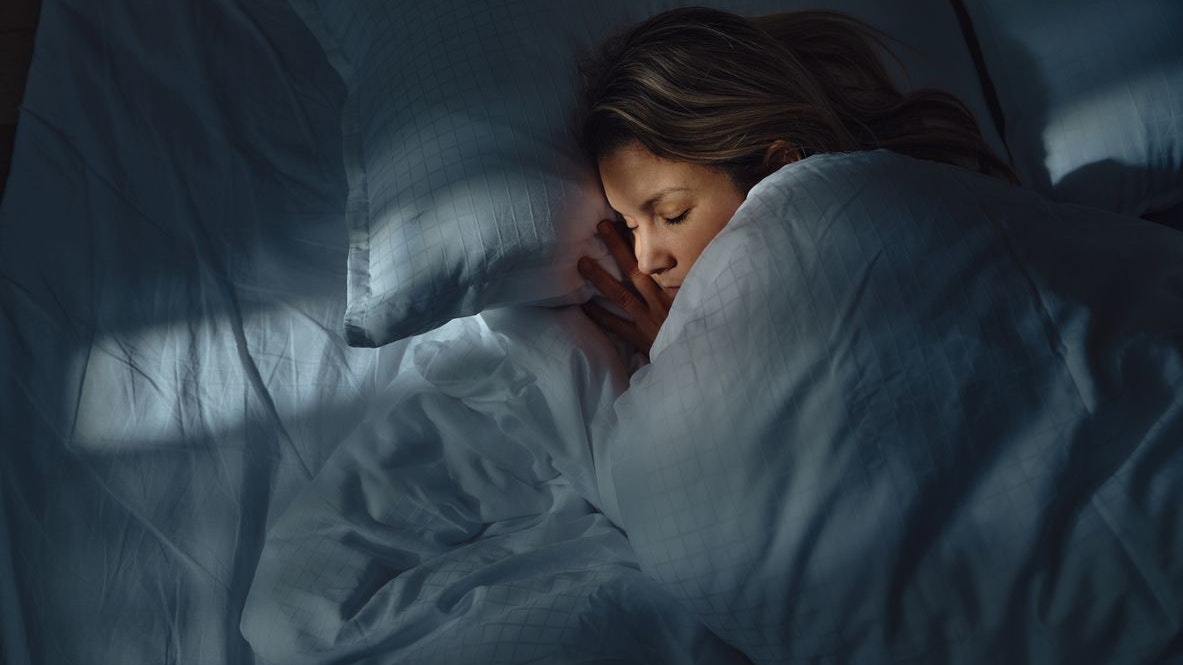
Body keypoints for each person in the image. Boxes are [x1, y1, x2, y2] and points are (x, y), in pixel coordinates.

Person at [574, 7, 1016, 356]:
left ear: (777, 169)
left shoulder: (914, 217)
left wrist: (680, 362)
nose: (646, 259)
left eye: (674, 215)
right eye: (629, 224)